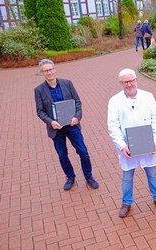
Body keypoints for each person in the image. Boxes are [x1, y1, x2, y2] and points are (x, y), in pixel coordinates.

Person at [107, 68, 156, 218]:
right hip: (128, 146)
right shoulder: (114, 101)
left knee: (152, 173)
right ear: (121, 83)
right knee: (127, 176)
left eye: (131, 80)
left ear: (136, 80)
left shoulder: (148, 96)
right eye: (126, 82)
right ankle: (126, 202)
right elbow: (112, 125)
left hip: (148, 143)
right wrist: (122, 146)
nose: (129, 84)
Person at [34, 59, 99, 191]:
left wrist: (77, 117)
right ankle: (70, 177)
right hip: (56, 128)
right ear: (42, 73)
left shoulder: (67, 83)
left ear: (55, 69)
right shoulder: (39, 90)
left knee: (83, 152)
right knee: (62, 155)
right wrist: (51, 122)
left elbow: (78, 102)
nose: (49, 72)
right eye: (46, 70)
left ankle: (89, 177)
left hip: (72, 125)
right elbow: (40, 111)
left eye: (51, 69)